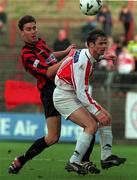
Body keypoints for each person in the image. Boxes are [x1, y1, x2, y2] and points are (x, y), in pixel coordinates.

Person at [8, 15, 100, 175]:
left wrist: (64, 52)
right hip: (50, 92)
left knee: (91, 122)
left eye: (34, 27)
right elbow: (49, 72)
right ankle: (21, 160)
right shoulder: (27, 55)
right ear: (22, 33)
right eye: (29, 29)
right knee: (52, 137)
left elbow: (50, 58)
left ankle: (84, 161)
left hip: (64, 87)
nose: (33, 31)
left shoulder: (40, 42)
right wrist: (69, 58)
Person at [53, 29, 126, 174]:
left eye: (105, 43)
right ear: (91, 45)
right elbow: (81, 92)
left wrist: (104, 57)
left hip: (72, 94)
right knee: (91, 125)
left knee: (107, 118)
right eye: (100, 44)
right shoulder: (82, 62)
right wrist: (96, 112)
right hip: (64, 97)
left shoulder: (86, 54)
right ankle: (73, 161)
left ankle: (106, 157)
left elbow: (91, 57)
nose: (104, 46)